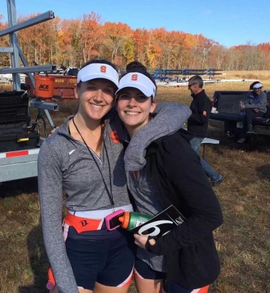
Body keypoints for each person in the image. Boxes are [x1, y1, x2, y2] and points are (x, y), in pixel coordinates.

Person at [38, 59, 190, 293]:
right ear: (77, 89)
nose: (99, 96)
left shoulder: (121, 124)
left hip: (124, 242)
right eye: (91, 87)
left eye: (108, 90)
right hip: (81, 244)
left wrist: (138, 143)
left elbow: (179, 110)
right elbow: (49, 225)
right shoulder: (54, 147)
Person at [115, 62, 223, 293]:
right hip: (146, 257)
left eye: (140, 97)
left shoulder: (172, 150)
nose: (132, 103)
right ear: (116, 102)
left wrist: (158, 243)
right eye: (125, 96)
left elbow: (210, 215)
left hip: (183, 260)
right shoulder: (121, 140)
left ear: (153, 104)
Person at [187, 75, 223, 187]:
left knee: (193, 157)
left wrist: (188, 115)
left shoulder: (203, 100)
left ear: (196, 85)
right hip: (192, 132)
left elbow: (203, 119)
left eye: (190, 86)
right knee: (193, 156)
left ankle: (215, 176)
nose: (188, 88)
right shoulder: (196, 99)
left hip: (197, 133)